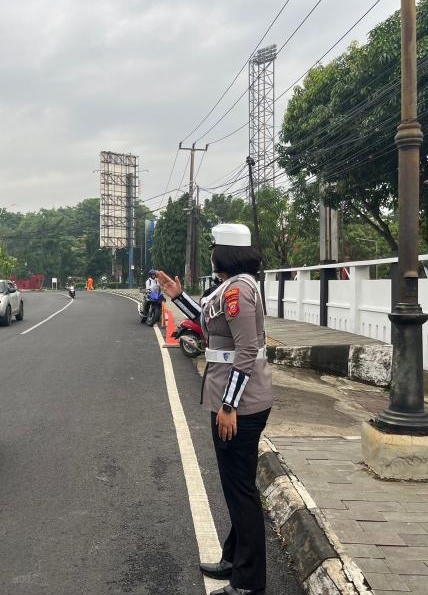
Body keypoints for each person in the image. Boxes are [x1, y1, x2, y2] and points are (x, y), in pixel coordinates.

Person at [157, 223, 272, 595]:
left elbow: (246, 350)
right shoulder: (233, 286)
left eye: (213, 248)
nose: (210, 254)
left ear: (225, 253)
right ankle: (233, 559)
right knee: (237, 486)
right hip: (236, 396)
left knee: (240, 490)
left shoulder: (238, 290)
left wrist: (228, 405)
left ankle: (249, 583)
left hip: (238, 402)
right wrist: (178, 296)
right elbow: (211, 323)